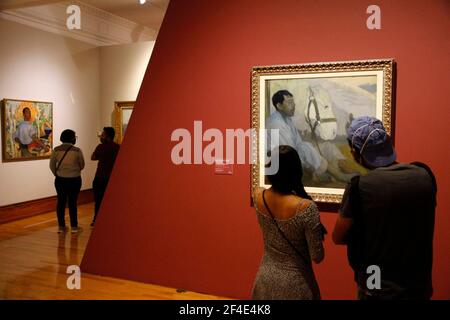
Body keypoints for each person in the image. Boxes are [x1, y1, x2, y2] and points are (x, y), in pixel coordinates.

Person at [332, 116, 437, 300]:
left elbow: (338, 237)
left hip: (376, 286)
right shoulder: (424, 174)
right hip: (418, 285)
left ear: (355, 153)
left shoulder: (359, 186)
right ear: (388, 143)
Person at [252, 145, 326, 300]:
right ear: (296, 172)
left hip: (265, 280)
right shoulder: (305, 208)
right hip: (296, 284)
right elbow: (317, 256)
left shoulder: (258, 196)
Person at [266, 90, 328, 179]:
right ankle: (326, 173)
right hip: (278, 161)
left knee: (306, 147)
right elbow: (289, 152)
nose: (294, 105)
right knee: (305, 148)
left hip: (288, 155)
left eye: (293, 101)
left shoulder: (287, 119)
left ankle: (323, 172)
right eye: (289, 102)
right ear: (279, 106)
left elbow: (298, 142)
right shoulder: (276, 123)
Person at [49, 129, 85, 234]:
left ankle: (61, 227)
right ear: (72, 138)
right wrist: (74, 171)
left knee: (61, 202)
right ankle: (74, 227)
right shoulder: (77, 150)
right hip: (74, 179)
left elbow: (52, 165)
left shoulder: (56, 150)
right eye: (75, 137)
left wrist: (58, 174)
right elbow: (82, 165)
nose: (75, 138)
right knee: (72, 203)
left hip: (60, 180)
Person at [90, 127, 120, 226]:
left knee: (98, 200)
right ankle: (112, 219)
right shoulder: (117, 147)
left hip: (100, 177)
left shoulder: (101, 147)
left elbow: (93, 157)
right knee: (112, 201)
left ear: (107, 136)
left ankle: (97, 220)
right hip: (112, 178)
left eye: (103, 135)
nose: (101, 137)